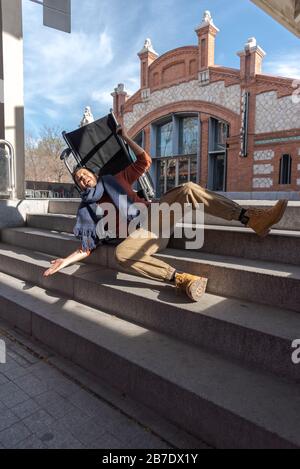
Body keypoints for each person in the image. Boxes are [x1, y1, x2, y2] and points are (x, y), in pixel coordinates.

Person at [43, 126, 288, 302]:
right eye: (79, 179)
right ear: (79, 186)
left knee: (189, 189)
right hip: (141, 237)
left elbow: (144, 160)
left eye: (85, 174)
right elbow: (87, 247)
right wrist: (63, 262)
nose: (83, 179)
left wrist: (126, 137)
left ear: (93, 175)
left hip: (156, 216)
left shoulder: (117, 178)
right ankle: (183, 280)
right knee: (121, 253)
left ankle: (251, 218)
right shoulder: (89, 209)